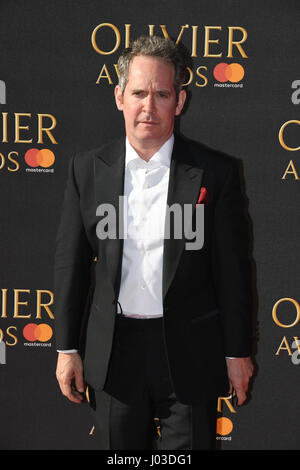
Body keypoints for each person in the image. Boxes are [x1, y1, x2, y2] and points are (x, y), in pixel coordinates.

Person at [54, 35, 254, 450]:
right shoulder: (86, 170)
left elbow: (233, 274)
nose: (149, 106)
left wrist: (238, 352)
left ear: (179, 101)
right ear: (119, 97)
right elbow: (70, 265)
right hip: (115, 354)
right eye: (139, 92)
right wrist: (67, 347)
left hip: (190, 353)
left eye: (162, 94)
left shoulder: (215, 174)